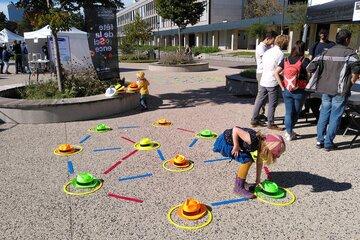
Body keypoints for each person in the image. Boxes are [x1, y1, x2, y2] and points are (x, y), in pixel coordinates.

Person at [307, 29, 360, 151]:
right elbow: (356, 72)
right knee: (335, 116)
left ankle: (320, 141)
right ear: (347, 40)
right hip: (340, 90)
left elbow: (310, 67)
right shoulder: (351, 54)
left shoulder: (325, 53)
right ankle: (328, 143)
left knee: (324, 114)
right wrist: (350, 84)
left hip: (325, 89)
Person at [213, 126, 286, 199]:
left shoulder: (262, 143)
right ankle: (238, 188)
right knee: (247, 161)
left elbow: (259, 163)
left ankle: (242, 183)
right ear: (267, 150)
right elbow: (235, 129)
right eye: (273, 155)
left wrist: (257, 180)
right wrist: (236, 145)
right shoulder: (253, 140)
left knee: (248, 159)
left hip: (228, 141)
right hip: (224, 143)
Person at [251, 35, 290, 130]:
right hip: (272, 81)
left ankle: (254, 119)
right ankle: (271, 123)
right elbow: (279, 70)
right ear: (284, 43)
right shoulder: (280, 54)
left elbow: (264, 64)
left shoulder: (268, 51)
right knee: (272, 103)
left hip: (264, 79)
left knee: (259, 100)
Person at [274, 41, 310, 141]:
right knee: (296, 112)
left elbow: (276, 73)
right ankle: (289, 132)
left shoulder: (286, 59)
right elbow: (311, 73)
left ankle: (289, 132)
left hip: (286, 90)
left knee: (288, 112)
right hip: (300, 91)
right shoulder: (305, 60)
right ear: (303, 49)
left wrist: (282, 86)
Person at [302, 29, 336, 120]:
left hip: (328, 72)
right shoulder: (315, 45)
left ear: (327, 35)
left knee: (322, 93)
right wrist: (309, 72)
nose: (323, 36)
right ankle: (308, 108)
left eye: (325, 34)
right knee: (312, 91)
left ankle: (319, 112)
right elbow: (310, 58)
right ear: (319, 35)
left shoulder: (332, 45)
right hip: (315, 72)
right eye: (322, 34)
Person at [255, 31, 277, 122]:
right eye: (273, 40)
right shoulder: (260, 47)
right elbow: (268, 60)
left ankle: (260, 114)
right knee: (261, 96)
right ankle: (257, 115)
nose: (273, 42)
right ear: (268, 39)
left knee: (264, 97)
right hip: (261, 73)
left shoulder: (268, 47)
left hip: (267, 73)